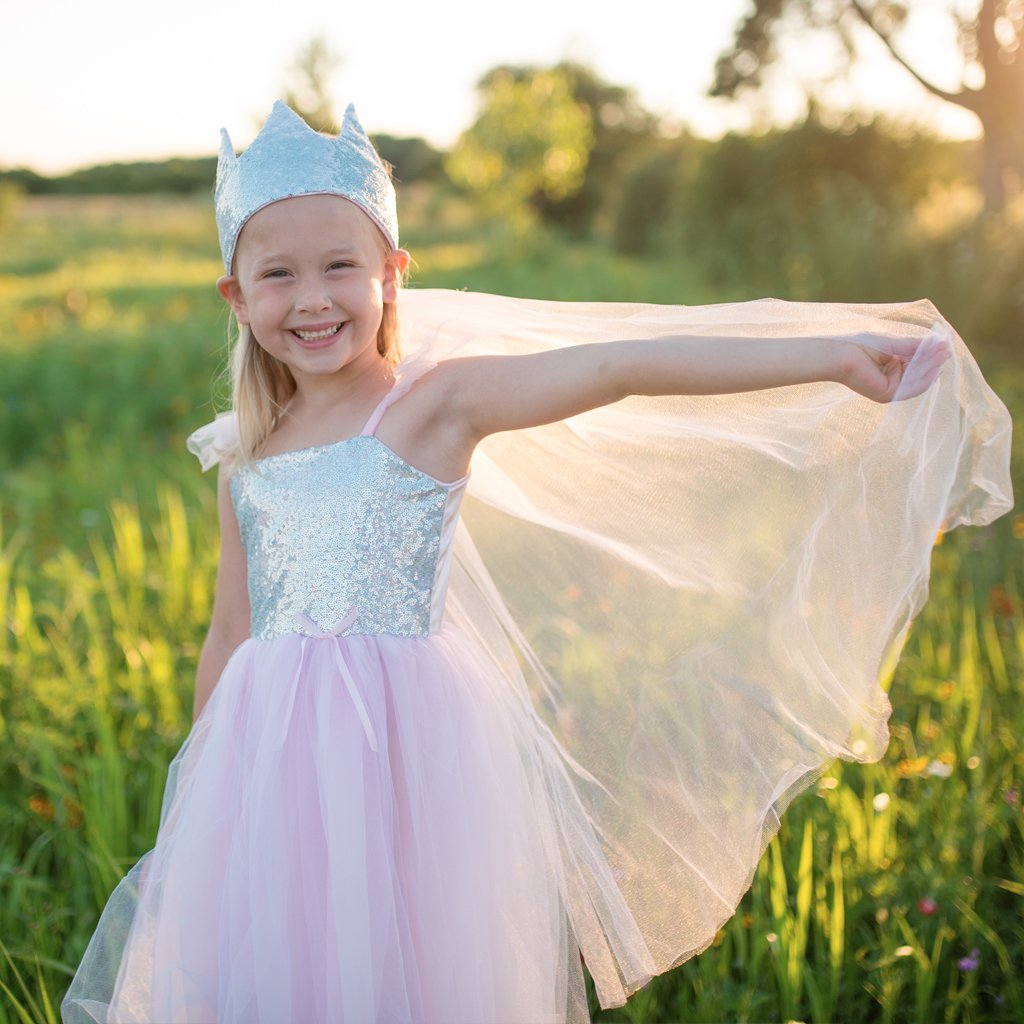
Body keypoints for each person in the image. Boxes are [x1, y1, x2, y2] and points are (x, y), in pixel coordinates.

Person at [61, 101, 1013, 1024]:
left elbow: (618, 366)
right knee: (291, 963)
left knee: (409, 958)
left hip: (408, 749)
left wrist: (835, 356)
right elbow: (232, 630)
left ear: (391, 273)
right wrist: (208, 809)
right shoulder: (248, 454)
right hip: (270, 763)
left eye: (339, 266)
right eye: (278, 275)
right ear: (236, 296)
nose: (311, 299)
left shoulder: (434, 406)